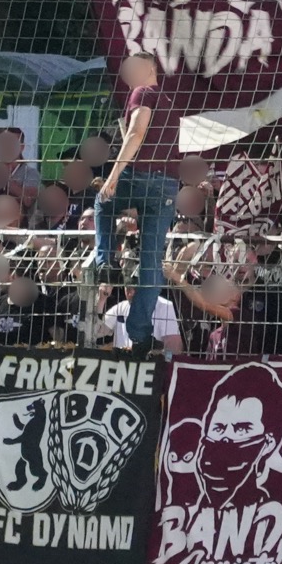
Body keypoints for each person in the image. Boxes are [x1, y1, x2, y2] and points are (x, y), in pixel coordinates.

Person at [96, 53, 181, 352]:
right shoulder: (170, 103)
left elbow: (136, 132)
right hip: (168, 184)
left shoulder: (142, 93)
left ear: (149, 68)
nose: (125, 75)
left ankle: (104, 261)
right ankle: (140, 330)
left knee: (103, 203)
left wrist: (114, 176)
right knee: (150, 260)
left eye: (129, 68)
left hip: (141, 174)